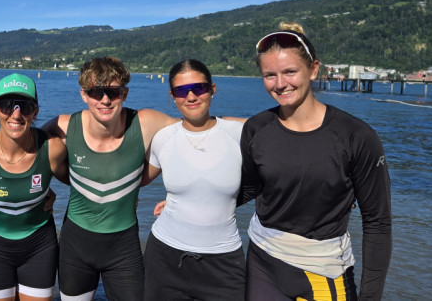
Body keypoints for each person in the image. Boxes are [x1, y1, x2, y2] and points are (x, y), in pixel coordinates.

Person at [238, 23, 392, 300]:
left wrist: (371, 297)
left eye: (290, 72)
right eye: (269, 75)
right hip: (263, 261)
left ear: (313, 69)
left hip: (322, 270)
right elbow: (248, 189)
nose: (280, 84)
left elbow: (377, 222)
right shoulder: (256, 128)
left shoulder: (355, 136)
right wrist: (191, 201)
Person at [43, 56, 176, 301]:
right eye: (96, 92)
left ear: (124, 93)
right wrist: (43, 190)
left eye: (113, 92)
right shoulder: (63, 126)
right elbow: (22, 148)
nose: (105, 100)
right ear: (84, 94)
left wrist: (181, 195)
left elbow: (197, 135)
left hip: (123, 248)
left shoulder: (145, 123)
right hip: (76, 246)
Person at [142, 59, 245, 300]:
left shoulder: (239, 134)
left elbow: (279, 173)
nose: (190, 96)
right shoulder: (163, 138)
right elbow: (132, 182)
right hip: (165, 257)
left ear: (212, 89)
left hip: (224, 262)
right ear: (172, 96)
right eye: (181, 91)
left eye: (199, 88)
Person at [0, 73, 69, 301]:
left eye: (26, 106)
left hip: (39, 248)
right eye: (7, 105)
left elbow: (81, 183)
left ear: (36, 111)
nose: (16, 114)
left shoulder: (53, 149)